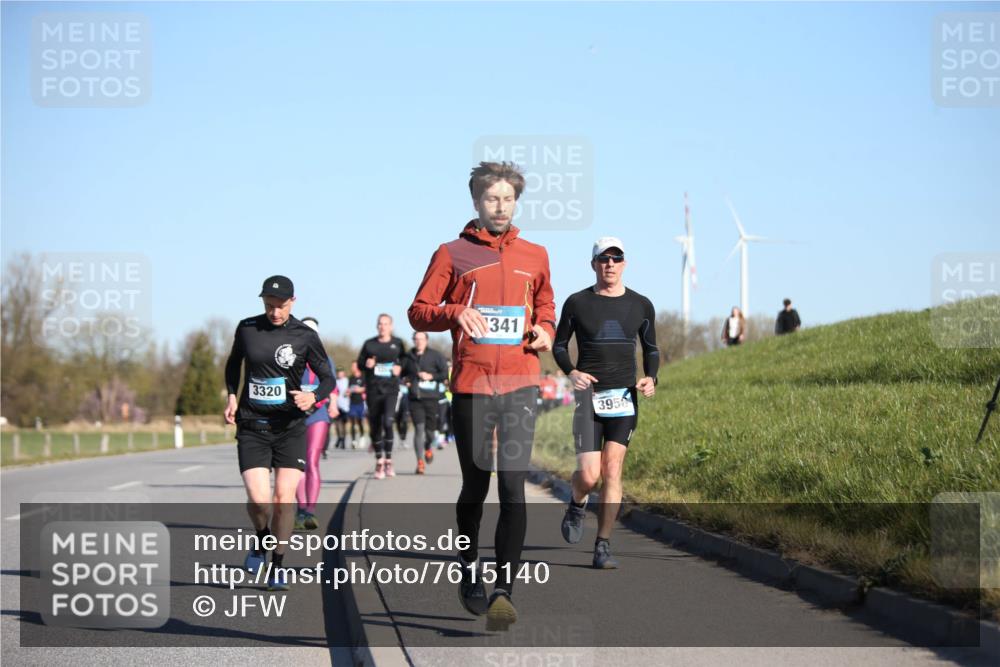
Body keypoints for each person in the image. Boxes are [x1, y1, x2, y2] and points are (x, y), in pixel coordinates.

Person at [408, 161, 556, 631]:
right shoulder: (452, 253)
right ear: (476, 202)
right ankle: (468, 566)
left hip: (520, 384)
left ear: (517, 202)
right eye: (491, 199)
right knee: (477, 485)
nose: (500, 206)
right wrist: (454, 312)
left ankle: (503, 591)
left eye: (508, 199)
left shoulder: (536, 254)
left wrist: (545, 330)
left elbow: (547, 305)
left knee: (513, 487)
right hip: (472, 384)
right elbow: (418, 311)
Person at [552, 237, 659, 569]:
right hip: (589, 397)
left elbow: (651, 348)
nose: (610, 264)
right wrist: (571, 372)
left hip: (624, 399)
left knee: (613, 469)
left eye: (616, 258)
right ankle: (576, 502)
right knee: (589, 475)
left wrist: (651, 378)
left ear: (625, 263)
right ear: (593, 264)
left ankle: (603, 545)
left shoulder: (641, 305)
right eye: (603, 259)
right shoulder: (577, 302)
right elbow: (558, 346)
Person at [224, 275, 335, 591]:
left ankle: (277, 565)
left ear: (293, 301)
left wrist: (313, 396)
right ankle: (260, 540)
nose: (275, 312)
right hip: (252, 426)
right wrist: (232, 395)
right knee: (259, 502)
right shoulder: (247, 328)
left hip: (289, 428)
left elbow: (328, 378)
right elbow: (234, 366)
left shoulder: (304, 335)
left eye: (281, 306)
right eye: (269, 306)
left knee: (283, 501)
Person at [294, 317, 339, 531]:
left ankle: (310, 511)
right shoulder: (288, 357)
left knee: (312, 461)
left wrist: (330, 404)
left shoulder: (324, 358)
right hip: (294, 415)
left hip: (317, 414)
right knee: (297, 465)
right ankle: (300, 509)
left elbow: (331, 384)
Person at [357, 314, 406, 479]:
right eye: (380, 324)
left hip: (391, 389)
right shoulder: (369, 344)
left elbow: (405, 361)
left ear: (391, 326)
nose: (382, 326)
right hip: (373, 389)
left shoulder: (397, 343)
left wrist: (400, 367)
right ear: (377, 326)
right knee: (375, 424)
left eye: (386, 324)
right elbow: (359, 363)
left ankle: (389, 459)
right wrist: (366, 364)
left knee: (388, 421)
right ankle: (379, 460)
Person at [405, 331, 449, 474]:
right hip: (415, 399)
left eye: (421, 339)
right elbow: (401, 374)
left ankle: (428, 447)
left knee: (430, 433)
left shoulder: (436, 356)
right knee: (418, 429)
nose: (418, 342)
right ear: (413, 340)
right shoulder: (407, 357)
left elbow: (444, 373)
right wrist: (406, 381)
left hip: (431, 398)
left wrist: (431, 376)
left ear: (426, 340)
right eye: (416, 339)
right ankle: (419, 462)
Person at [331, 369, 351, 452]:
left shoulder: (347, 381)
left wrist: (348, 392)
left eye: (341, 373)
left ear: (344, 373)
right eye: (338, 373)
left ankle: (343, 441)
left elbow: (351, 390)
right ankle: (339, 438)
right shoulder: (334, 381)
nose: (340, 374)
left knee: (343, 425)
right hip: (336, 405)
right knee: (337, 424)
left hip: (345, 406)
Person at [346, 364, 367, 448]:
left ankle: (362, 436)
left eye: (353, 366)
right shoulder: (351, 378)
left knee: (359, 421)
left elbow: (366, 388)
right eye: (352, 366)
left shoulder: (363, 377)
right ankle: (353, 440)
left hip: (361, 403)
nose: (352, 368)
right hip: (352, 403)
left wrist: (360, 390)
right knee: (352, 420)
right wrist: (348, 392)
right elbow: (349, 389)